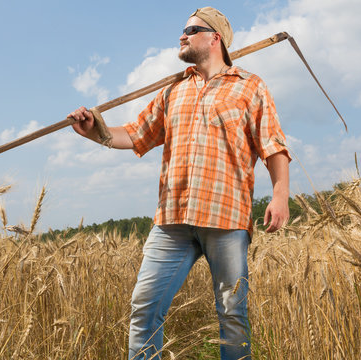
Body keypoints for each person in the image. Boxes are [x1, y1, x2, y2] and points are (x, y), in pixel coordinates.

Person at [69, 7, 290, 360]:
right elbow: (135, 134)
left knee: (233, 316)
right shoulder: (174, 91)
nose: (181, 35)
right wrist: (95, 132)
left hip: (226, 219)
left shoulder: (250, 87)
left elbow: (273, 145)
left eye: (190, 29)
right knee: (144, 309)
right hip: (171, 220)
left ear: (214, 37)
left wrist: (280, 196)